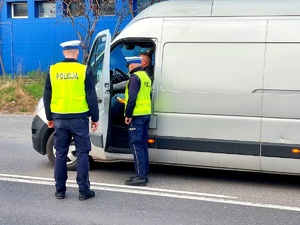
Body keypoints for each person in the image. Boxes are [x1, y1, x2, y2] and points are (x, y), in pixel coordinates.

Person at [43, 40, 99, 200]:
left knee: (60, 153)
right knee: (82, 154)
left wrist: (49, 117)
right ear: (77, 52)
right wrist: (95, 118)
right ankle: (83, 191)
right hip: (79, 118)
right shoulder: (83, 70)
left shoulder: (53, 70)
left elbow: (47, 96)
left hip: (59, 118)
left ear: (63, 52)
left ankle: (60, 190)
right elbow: (91, 96)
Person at [123, 56, 152, 186]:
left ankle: (140, 176)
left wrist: (128, 114)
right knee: (143, 145)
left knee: (136, 146)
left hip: (137, 116)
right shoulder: (145, 76)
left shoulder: (134, 78)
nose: (128, 68)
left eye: (129, 66)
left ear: (132, 65)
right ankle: (144, 173)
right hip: (145, 114)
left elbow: (132, 98)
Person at [111, 52, 153, 118]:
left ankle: (109, 117)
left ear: (144, 62)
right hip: (145, 103)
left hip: (140, 100)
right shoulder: (147, 71)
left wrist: (113, 87)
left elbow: (129, 83)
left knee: (117, 97)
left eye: (139, 60)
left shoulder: (142, 73)